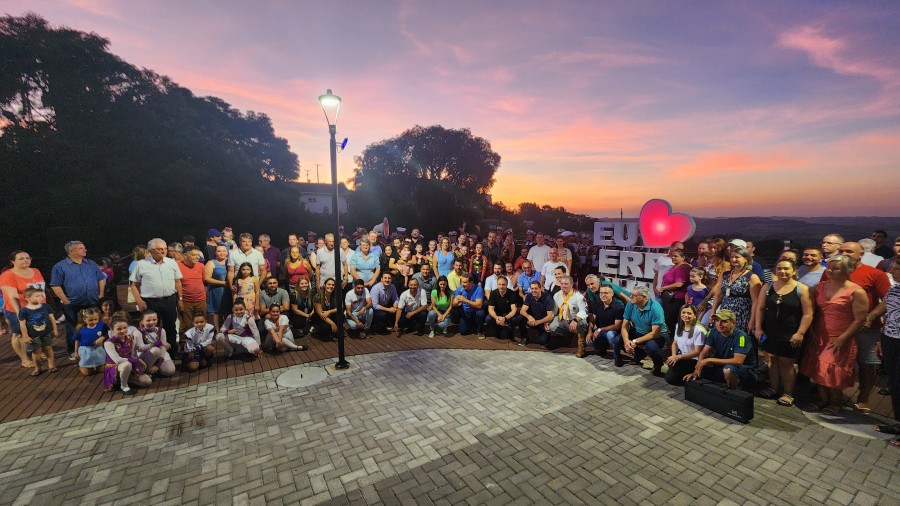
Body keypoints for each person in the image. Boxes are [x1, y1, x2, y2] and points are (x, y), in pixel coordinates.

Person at [800, 256, 868, 415]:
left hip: (840, 336)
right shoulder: (819, 287)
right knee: (816, 368)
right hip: (819, 334)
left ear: (848, 270)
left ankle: (836, 402)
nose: (829, 271)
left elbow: (860, 320)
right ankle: (822, 399)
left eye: (835, 268)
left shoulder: (857, 291)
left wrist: (843, 338)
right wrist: (810, 332)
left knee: (831, 370)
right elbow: (812, 312)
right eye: (828, 267)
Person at [835, 242, 891, 413]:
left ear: (861, 254)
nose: (844, 253)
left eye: (849, 251)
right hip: (838, 326)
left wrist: (871, 317)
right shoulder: (831, 270)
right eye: (841, 250)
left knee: (866, 362)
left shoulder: (874, 274)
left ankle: (863, 398)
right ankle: (834, 397)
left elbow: (888, 299)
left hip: (866, 327)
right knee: (836, 361)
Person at [754, 259, 814, 407]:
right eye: (779, 268)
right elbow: (760, 308)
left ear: (794, 271)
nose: (782, 272)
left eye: (786, 269)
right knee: (772, 360)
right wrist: (759, 328)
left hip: (790, 331)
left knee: (787, 363)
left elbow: (808, 314)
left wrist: (800, 333)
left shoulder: (802, 289)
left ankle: (788, 393)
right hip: (770, 330)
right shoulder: (767, 287)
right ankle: (773, 388)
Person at [50, 240, 106, 360]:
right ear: (71, 251)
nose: (85, 250)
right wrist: (65, 300)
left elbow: (101, 278)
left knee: (93, 325)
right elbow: (55, 285)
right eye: (81, 248)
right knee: (73, 327)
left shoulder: (91, 263)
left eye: (84, 248)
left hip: (91, 301)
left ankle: (94, 347)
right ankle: (72, 351)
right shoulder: (60, 266)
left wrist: (101, 293)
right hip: (73, 303)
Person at [129, 239, 183, 352]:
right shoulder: (141, 264)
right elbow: (134, 285)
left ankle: (172, 352)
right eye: (159, 249)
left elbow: (178, 282)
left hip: (169, 300)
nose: (163, 251)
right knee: (151, 328)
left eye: (164, 249)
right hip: (150, 301)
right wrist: (139, 300)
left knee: (171, 327)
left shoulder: (171, 262)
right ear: (150, 251)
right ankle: (153, 353)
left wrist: (180, 299)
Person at [684, 309, 759, 389]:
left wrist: (710, 360)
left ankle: (733, 393)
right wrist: (696, 370)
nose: (719, 324)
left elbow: (738, 361)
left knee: (728, 370)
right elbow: (704, 352)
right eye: (717, 320)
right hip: (723, 366)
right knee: (700, 371)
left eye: (724, 321)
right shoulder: (713, 331)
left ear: (734, 323)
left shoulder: (741, 337)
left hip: (745, 371)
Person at [1, 251, 47, 368]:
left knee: (38, 331)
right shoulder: (7, 275)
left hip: (38, 308)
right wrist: (19, 313)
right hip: (18, 309)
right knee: (19, 334)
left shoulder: (36, 271)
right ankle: (24, 359)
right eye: (21, 258)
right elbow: (12, 297)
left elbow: (40, 289)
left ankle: (38, 351)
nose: (26, 260)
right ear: (13, 261)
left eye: (27, 257)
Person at [710, 247, 761, 334]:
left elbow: (756, 301)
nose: (733, 259)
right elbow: (719, 294)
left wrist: (752, 320)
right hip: (724, 312)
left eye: (737, 257)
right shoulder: (726, 274)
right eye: (731, 257)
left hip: (742, 314)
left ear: (745, 259)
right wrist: (713, 312)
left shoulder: (752, 277)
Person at [622, 285, 668, 377]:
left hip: (658, 335)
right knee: (618, 339)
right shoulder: (630, 304)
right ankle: (639, 354)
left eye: (634, 296)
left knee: (651, 346)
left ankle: (658, 364)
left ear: (644, 297)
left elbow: (655, 334)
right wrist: (626, 342)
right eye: (631, 294)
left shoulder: (655, 308)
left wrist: (635, 341)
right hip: (639, 332)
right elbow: (624, 326)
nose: (630, 297)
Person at [874, 282, 900, 446]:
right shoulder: (895, 288)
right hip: (890, 337)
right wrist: (881, 337)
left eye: (897, 266)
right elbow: (889, 313)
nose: (892, 269)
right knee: (894, 383)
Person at [103, 316, 153, 394]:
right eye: (119, 329)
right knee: (127, 365)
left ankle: (127, 379)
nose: (122, 331)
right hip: (115, 366)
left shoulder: (131, 338)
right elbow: (118, 360)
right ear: (112, 330)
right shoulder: (109, 343)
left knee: (147, 382)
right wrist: (136, 360)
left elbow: (132, 354)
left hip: (130, 364)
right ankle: (124, 386)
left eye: (125, 327)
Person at [19, 288, 58, 376]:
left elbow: (52, 318)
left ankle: (51, 366)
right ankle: (38, 368)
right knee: (36, 351)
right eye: (37, 296)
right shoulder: (24, 311)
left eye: (41, 295)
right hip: (33, 335)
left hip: (47, 332)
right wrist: (25, 336)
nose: (41, 297)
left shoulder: (46, 306)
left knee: (48, 348)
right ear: (28, 298)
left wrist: (55, 329)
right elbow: (22, 324)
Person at [665, 304, 706, 386]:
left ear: (694, 315)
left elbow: (697, 352)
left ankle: (693, 379)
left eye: (689, 313)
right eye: (683, 312)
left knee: (670, 379)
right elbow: (675, 343)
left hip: (693, 359)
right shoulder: (678, 326)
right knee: (671, 363)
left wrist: (678, 357)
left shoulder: (699, 330)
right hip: (682, 357)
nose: (686, 315)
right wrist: (673, 355)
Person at [547, 276, 589, 356]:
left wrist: (575, 320)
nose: (563, 286)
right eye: (562, 284)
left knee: (582, 322)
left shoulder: (578, 295)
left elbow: (584, 311)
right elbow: (554, 312)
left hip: (576, 320)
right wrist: (548, 321)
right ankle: (567, 337)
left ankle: (581, 348)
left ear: (571, 284)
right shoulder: (557, 295)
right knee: (552, 326)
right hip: (563, 320)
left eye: (566, 284)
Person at [587, 285, 625, 365]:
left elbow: (617, 326)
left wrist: (600, 329)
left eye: (606, 293)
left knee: (611, 335)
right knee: (589, 341)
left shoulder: (618, 307)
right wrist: (590, 332)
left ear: (612, 294)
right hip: (601, 332)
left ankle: (617, 356)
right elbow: (592, 320)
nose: (603, 295)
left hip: (614, 332)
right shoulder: (597, 305)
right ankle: (603, 348)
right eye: (601, 293)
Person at [659, 249, 692, 335]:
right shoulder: (674, 267)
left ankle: (677, 340)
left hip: (677, 298)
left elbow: (679, 284)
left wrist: (663, 288)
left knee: (672, 320)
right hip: (669, 298)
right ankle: (673, 340)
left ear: (683, 257)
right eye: (672, 256)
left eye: (676, 256)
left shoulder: (683, 268)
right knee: (668, 319)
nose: (673, 257)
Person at [135, 309, 176, 377]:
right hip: (145, 355)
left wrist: (157, 365)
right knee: (155, 350)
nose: (151, 322)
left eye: (154, 320)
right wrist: (156, 343)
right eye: (148, 320)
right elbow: (141, 348)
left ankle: (156, 368)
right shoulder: (138, 332)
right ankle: (147, 372)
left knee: (169, 371)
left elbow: (163, 348)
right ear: (142, 321)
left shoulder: (161, 330)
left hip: (159, 354)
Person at [177, 246, 206, 339]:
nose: (197, 257)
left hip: (201, 300)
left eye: (198, 255)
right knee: (186, 325)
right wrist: (180, 300)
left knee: (202, 324)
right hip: (186, 301)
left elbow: (203, 280)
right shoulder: (178, 266)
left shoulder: (201, 266)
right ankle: (185, 347)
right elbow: (176, 283)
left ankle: (201, 344)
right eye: (194, 255)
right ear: (185, 255)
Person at [73, 307, 108, 376]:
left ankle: (97, 366)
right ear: (84, 319)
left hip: (98, 350)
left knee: (102, 370)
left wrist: (101, 338)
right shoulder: (81, 328)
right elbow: (77, 340)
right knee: (87, 373)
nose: (93, 321)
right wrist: (76, 352)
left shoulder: (102, 325)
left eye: (96, 319)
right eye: (90, 320)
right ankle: (81, 366)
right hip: (86, 351)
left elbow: (106, 334)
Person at [485, 277, 521, 341]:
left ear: (507, 285)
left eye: (503, 284)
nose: (501, 286)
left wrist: (505, 318)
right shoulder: (493, 293)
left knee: (516, 318)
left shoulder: (512, 294)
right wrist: (496, 317)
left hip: (508, 314)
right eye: (499, 284)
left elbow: (513, 310)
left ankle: (510, 332)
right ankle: (497, 329)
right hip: (497, 314)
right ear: (497, 285)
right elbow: (490, 309)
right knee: (488, 319)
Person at [519, 280, 554, 347]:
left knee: (542, 341)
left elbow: (550, 316)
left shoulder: (548, 298)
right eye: (532, 288)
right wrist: (529, 317)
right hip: (533, 320)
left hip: (543, 322)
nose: (533, 290)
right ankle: (525, 338)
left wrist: (537, 322)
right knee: (519, 318)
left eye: (536, 288)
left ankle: (542, 335)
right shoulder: (529, 296)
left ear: (540, 289)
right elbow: (522, 311)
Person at [204, 245, 230, 331]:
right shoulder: (211, 263)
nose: (222, 253)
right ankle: (218, 332)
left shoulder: (230, 262)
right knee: (217, 312)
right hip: (216, 291)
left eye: (224, 251)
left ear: (227, 252)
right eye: (219, 251)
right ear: (215, 252)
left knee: (228, 312)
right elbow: (206, 278)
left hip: (229, 291)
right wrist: (223, 283)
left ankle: (226, 331)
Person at [453, 274, 486, 338]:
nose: (462, 284)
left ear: (471, 283)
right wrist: (456, 302)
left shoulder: (478, 289)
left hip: (475, 311)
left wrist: (465, 300)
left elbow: (479, 305)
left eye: (465, 282)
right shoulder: (460, 288)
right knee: (463, 332)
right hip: (465, 312)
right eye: (462, 282)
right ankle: (472, 325)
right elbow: (453, 304)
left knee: (481, 313)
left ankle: (480, 331)